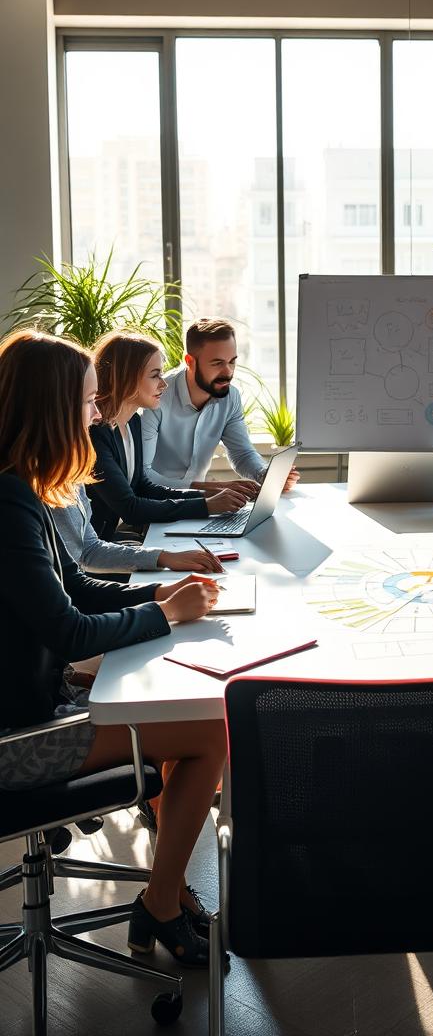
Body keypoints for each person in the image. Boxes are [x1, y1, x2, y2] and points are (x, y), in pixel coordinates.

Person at [0, 330, 227, 966]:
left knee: (185, 721)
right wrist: (161, 612)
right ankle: (159, 905)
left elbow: (74, 586)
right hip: (16, 740)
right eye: (88, 403)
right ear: (51, 410)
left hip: (31, 709)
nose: (97, 416)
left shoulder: (22, 488)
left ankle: (168, 891)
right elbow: (68, 631)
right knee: (209, 734)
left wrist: (163, 600)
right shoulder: (8, 501)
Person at [87, 332, 246, 542]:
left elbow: (144, 487)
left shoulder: (132, 422)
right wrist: (206, 505)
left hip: (108, 540)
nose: (163, 384)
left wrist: (209, 496)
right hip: (93, 550)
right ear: (126, 377)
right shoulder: (96, 434)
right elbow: (130, 508)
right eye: (154, 375)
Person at [141, 318, 299, 500]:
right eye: (217, 363)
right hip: (155, 506)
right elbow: (144, 474)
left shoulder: (230, 397)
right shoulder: (155, 396)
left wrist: (265, 475)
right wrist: (207, 488)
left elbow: (242, 453)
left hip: (198, 505)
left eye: (232, 362)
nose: (228, 372)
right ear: (190, 362)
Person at [51, 484, 223, 576]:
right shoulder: (33, 487)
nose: (97, 415)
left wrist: (163, 557)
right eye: (89, 413)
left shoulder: (73, 473)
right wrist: (165, 605)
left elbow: (89, 549)